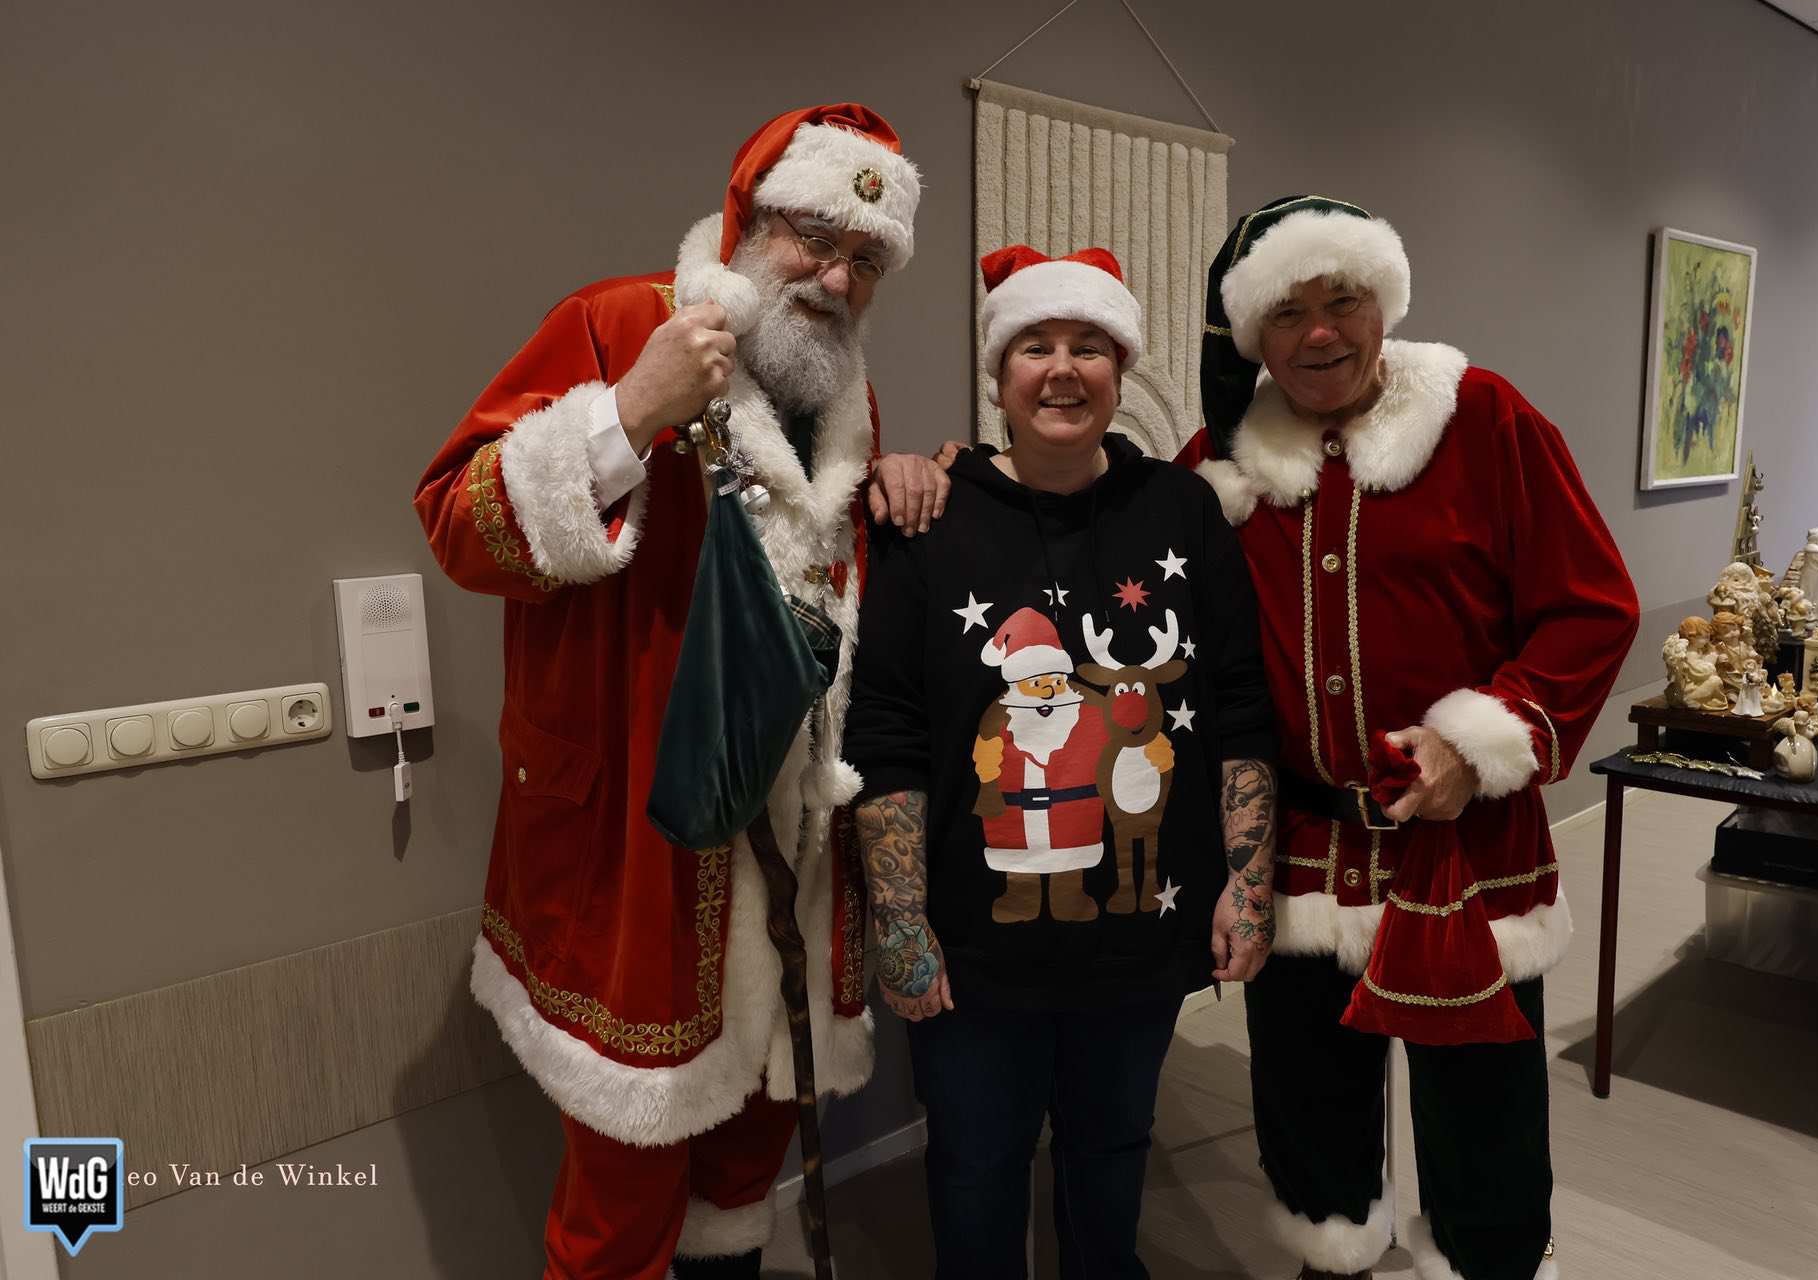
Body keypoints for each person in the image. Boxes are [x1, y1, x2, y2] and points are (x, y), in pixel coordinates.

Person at [414, 104, 951, 1280]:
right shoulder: (619, 323)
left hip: (794, 862)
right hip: (635, 860)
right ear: (747, 218)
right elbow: (456, 520)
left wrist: (904, 474)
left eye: (866, 259)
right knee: (618, 1212)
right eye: (815, 236)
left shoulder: (846, 396)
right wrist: (627, 413)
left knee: (741, 1180)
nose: (836, 276)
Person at [1176, 196, 1639, 1280]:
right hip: (1301, 851)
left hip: (1465, 852)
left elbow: (1591, 606)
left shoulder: (1484, 418)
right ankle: (1333, 1257)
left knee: (1486, 1131)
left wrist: (1475, 744)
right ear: (1252, 335)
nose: (1319, 333)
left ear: (1382, 302)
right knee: (1308, 1119)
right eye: (1287, 313)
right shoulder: (1222, 460)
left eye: (1342, 301)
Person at [845, 245, 1280, 1278]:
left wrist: (1249, 882)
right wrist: (900, 923)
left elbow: (1238, 706)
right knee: (974, 1166)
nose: (1062, 369)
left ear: (1120, 369)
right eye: (1035, 345)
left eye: (1089, 345)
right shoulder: (925, 518)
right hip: (971, 945)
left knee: (1113, 1153)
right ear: (998, 373)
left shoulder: (1183, 512)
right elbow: (887, 731)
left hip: (1141, 935)